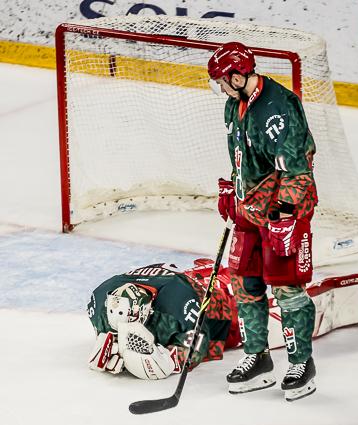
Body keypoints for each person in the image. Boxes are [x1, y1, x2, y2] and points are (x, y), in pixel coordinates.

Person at [207, 41, 318, 401]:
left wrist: (285, 214)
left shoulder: (279, 106)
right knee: (244, 281)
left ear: (238, 76)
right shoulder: (232, 106)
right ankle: (258, 357)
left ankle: (302, 363)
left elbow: (298, 168)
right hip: (249, 211)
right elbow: (243, 157)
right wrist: (232, 187)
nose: (220, 88)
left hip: (283, 212)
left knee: (286, 288)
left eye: (223, 80)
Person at [87, 261, 240, 379]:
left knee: (239, 325)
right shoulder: (99, 301)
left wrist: (172, 361)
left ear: (145, 309)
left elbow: (201, 342)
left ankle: (219, 275)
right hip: (169, 276)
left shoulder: (178, 303)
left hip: (200, 293)